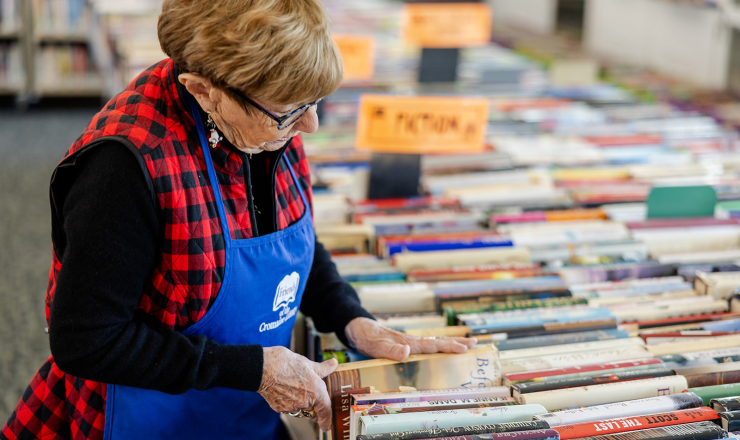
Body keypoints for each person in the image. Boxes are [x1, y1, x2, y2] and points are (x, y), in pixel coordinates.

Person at [1, 1, 476, 439]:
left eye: (314, 104)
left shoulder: (267, 116)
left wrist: (350, 318)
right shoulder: (124, 167)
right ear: (204, 90)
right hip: (146, 418)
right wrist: (255, 370)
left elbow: (293, 239)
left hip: (246, 411)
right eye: (292, 111)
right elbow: (86, 340)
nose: (309, 125)